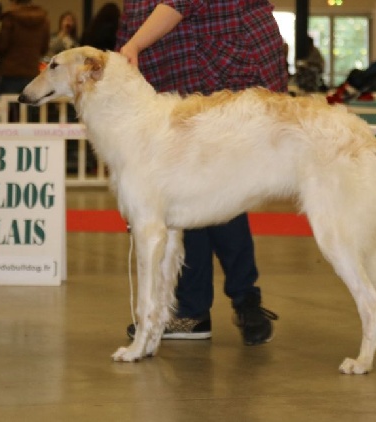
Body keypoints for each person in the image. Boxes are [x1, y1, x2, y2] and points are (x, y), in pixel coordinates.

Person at [118, 0, 286, 345]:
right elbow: (134, 18)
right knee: (186, 197)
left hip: (224, 65)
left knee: (219, 195)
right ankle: (198, 310)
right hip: (174, 74)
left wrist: (134, 45)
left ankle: (240, 299)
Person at [0, 0, 49, 122]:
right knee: (30, 115)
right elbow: (44, 48)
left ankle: (7, 140)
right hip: (31, 73)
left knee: (7, 114)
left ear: (14, 3)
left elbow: (1, 45)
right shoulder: (43, 20)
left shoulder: (10, 18)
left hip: (10, 73)